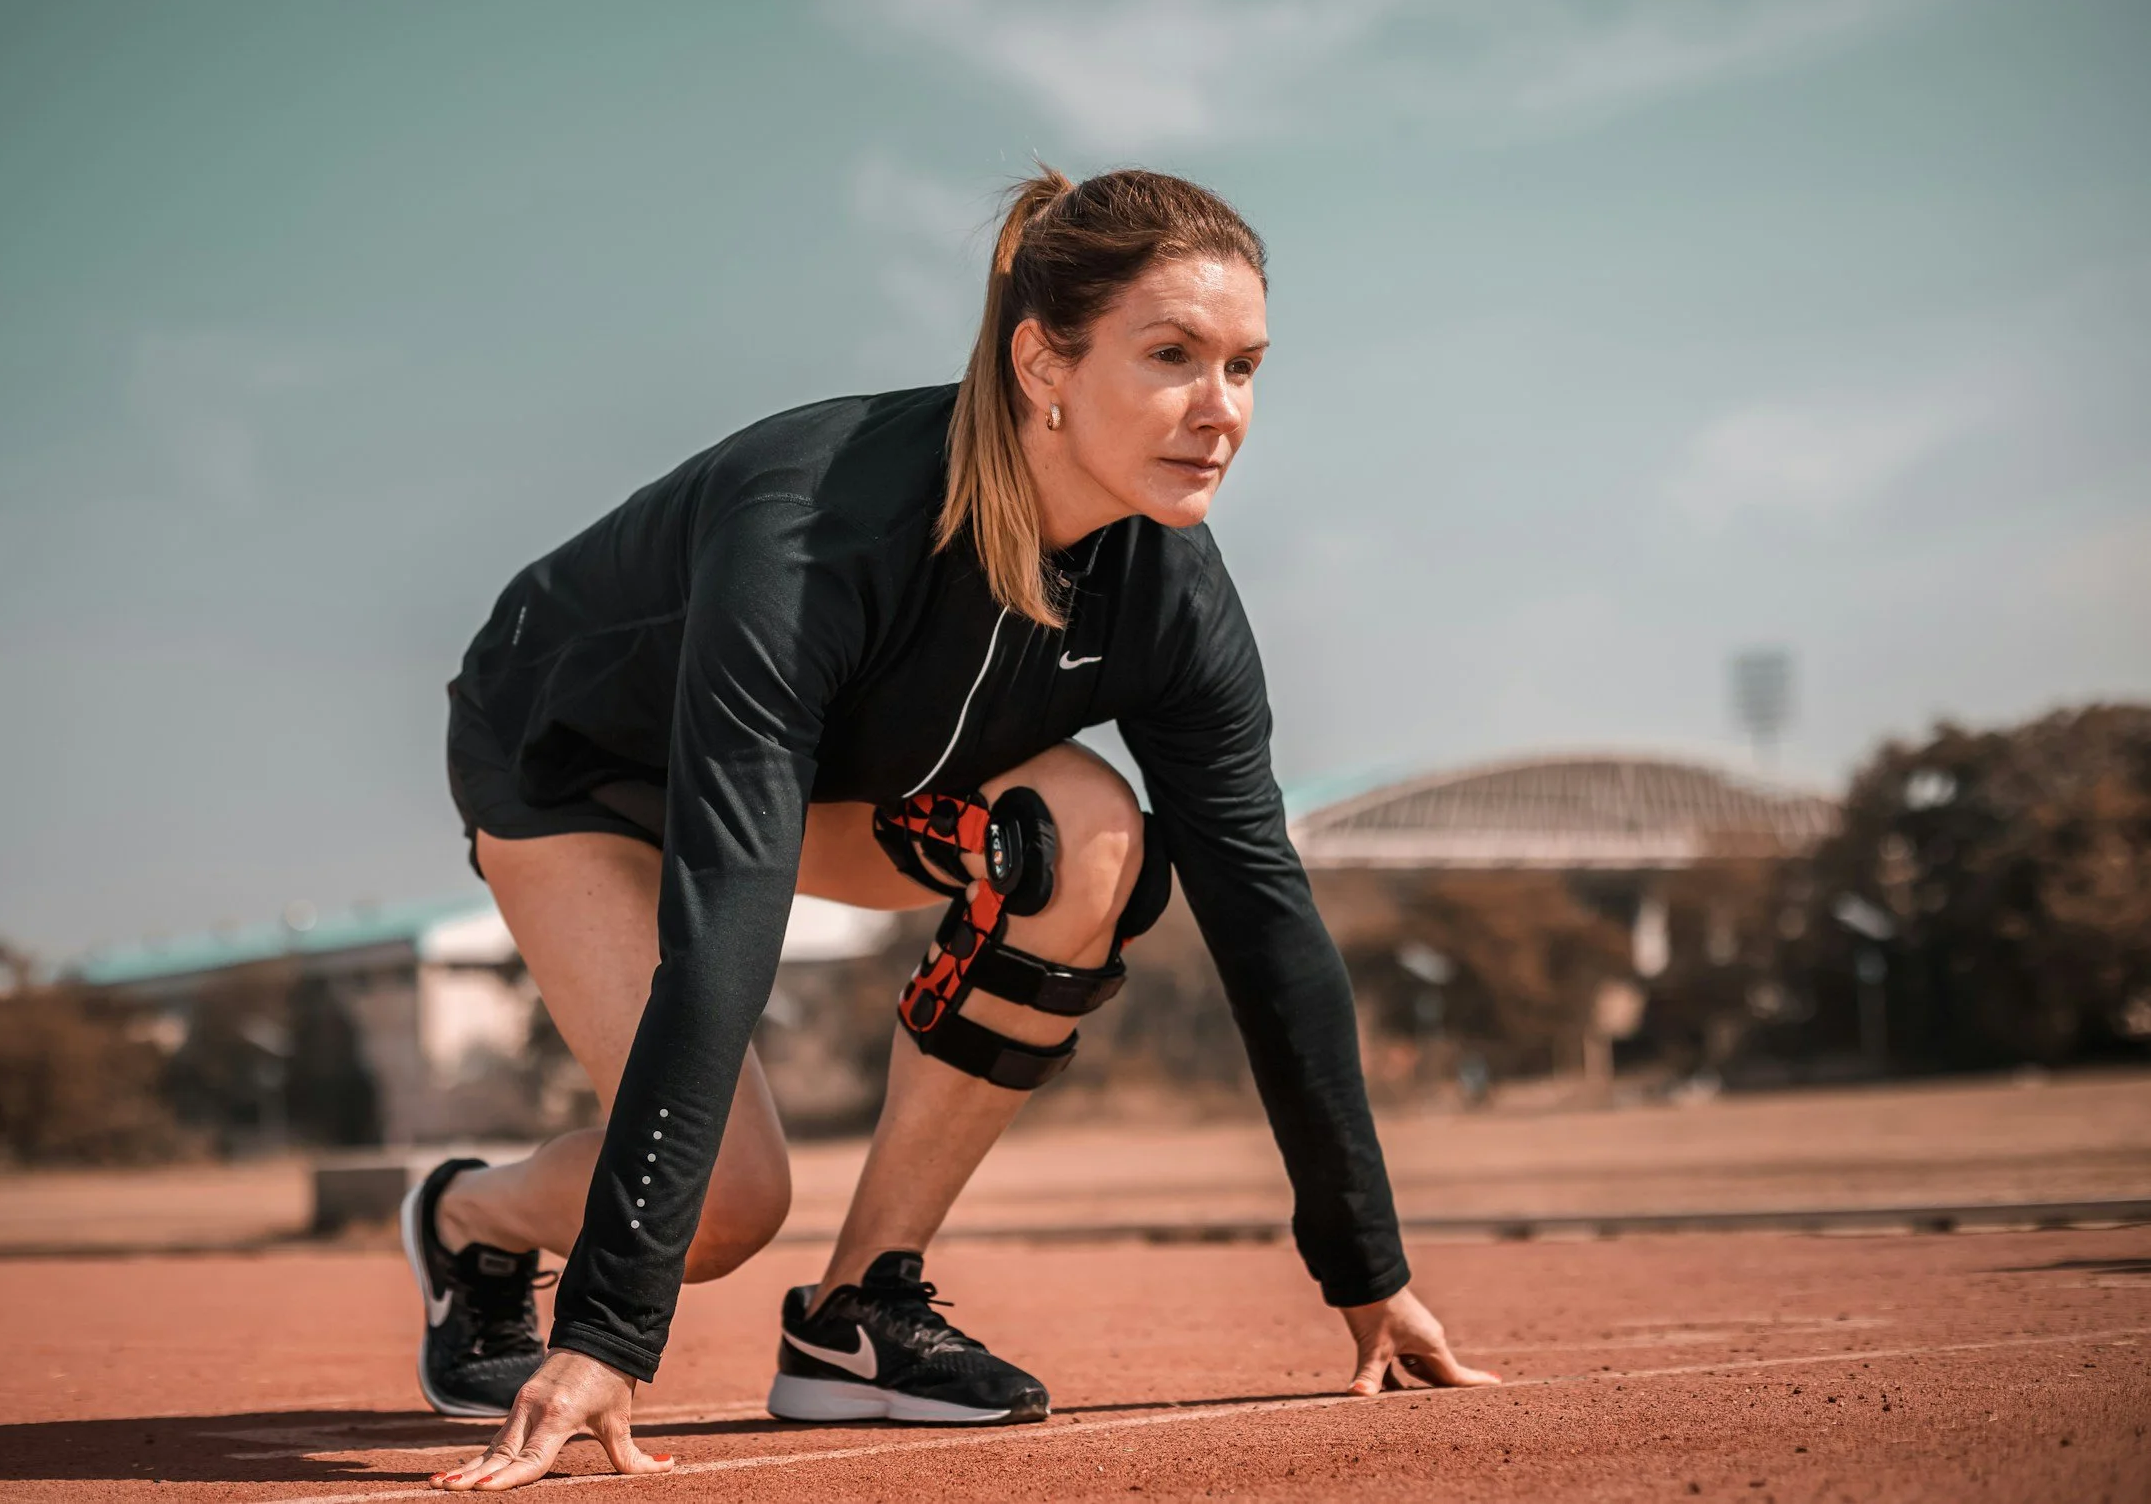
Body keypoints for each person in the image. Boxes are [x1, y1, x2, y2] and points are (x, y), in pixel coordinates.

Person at [408, 167, 1496, 1492]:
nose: (1223, 411)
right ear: (1045, 358)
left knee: (1083, 837)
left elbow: (1266, 917)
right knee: (729, 1204)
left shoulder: (1169, 596)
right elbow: (728, 934)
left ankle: (857, 1313)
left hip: (840, 770)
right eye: (1173, 357)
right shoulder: (816, 531)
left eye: (1246, 367)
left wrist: (1368, 1271)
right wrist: (610, 1333)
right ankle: (469, 1218)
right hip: (575, 770)